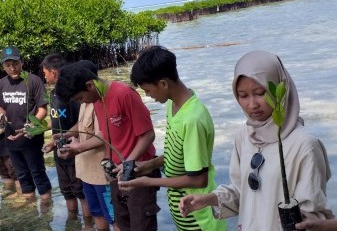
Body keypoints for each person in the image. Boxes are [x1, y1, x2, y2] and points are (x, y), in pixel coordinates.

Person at [178, 50, 334, 230]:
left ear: (280, 88)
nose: (252, 104)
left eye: (260, 93)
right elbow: (241, 192)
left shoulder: (305, 144)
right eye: (243, 96)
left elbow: (312, 215)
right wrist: (209, 199)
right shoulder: (244, 135)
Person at [117, 45, 226, 230]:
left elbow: (199, 179)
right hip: (184, 214)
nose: (148, 96)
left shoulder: (193, 119)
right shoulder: (173, 105)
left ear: (163, 84)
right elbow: (178, 155)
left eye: (148, 90)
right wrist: (148, 166)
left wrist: (147, 181)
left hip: (200, 220)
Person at [55, 60, 160, 231]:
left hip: (138, 172)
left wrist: (128, 163)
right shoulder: (97, 100)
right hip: (115, 175)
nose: (82, 103)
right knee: (122, 224)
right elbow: (106, 133)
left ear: (89, 85)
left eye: (80, 98)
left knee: (142, 225)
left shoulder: (124, 94)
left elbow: (148, 134)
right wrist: (73, 140)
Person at [56, 60, 116, 231]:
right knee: (96, 212)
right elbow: (81, 125)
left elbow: (103, 136)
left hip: (101, 175)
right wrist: (66, 135)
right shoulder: (85, 101)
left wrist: (78, 147)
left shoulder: (100, 101)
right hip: (85, 171)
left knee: (112, 217)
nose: (80, 100)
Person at [40, 54, 93, 229]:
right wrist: (48, 136)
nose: (44, 75)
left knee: (81, 192)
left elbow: (83, 121)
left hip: (75, 149)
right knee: (67, 191)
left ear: (53, 72)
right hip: (59, 149)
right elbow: (56, 120)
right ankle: (72, 224)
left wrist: (67, 138)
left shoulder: (72, 93)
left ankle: (87, 224)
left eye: (45, 72)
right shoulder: (53, 93)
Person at [0, 46, 52, 201]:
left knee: (37, 172)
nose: (12, 68)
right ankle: (30, 206)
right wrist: (1, 115)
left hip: (31, 136)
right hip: (11, 137)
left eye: (15, 63)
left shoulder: (33, 81)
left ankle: (47, 209)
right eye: (8, 65)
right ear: (3, 66)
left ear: (22, 62)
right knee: (21, 174)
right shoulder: (2, 84)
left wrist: (32, 126)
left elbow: (43, 109)